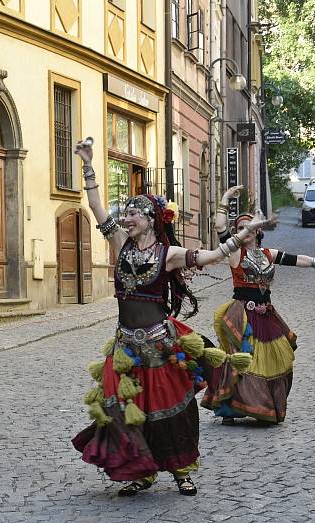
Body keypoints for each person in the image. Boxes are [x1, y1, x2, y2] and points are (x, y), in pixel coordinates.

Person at [70, 139, 272, 497]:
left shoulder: (169, 253)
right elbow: (97, 207)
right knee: (128, 410)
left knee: (171, 409)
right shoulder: (121, 243)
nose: (126, 217)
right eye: (126, 212)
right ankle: (141, 472)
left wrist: (242, 235)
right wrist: (88, 166)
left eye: (134, 213)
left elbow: (210, 257)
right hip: (126, 346)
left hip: (160, 342)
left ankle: (181, 471)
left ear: (149, 220)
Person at [201, 185, 315, 425]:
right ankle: (234, 406)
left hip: (267, 315)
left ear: (258, 231)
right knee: (243, 359)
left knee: (273, 360)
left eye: (249, 227)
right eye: (239, 228)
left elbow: (299, 259)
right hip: (243, 314)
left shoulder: (268, 254)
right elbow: (219, 227)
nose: (244, 231)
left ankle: (266, 406)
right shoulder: (235, 254)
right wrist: (226, 198)